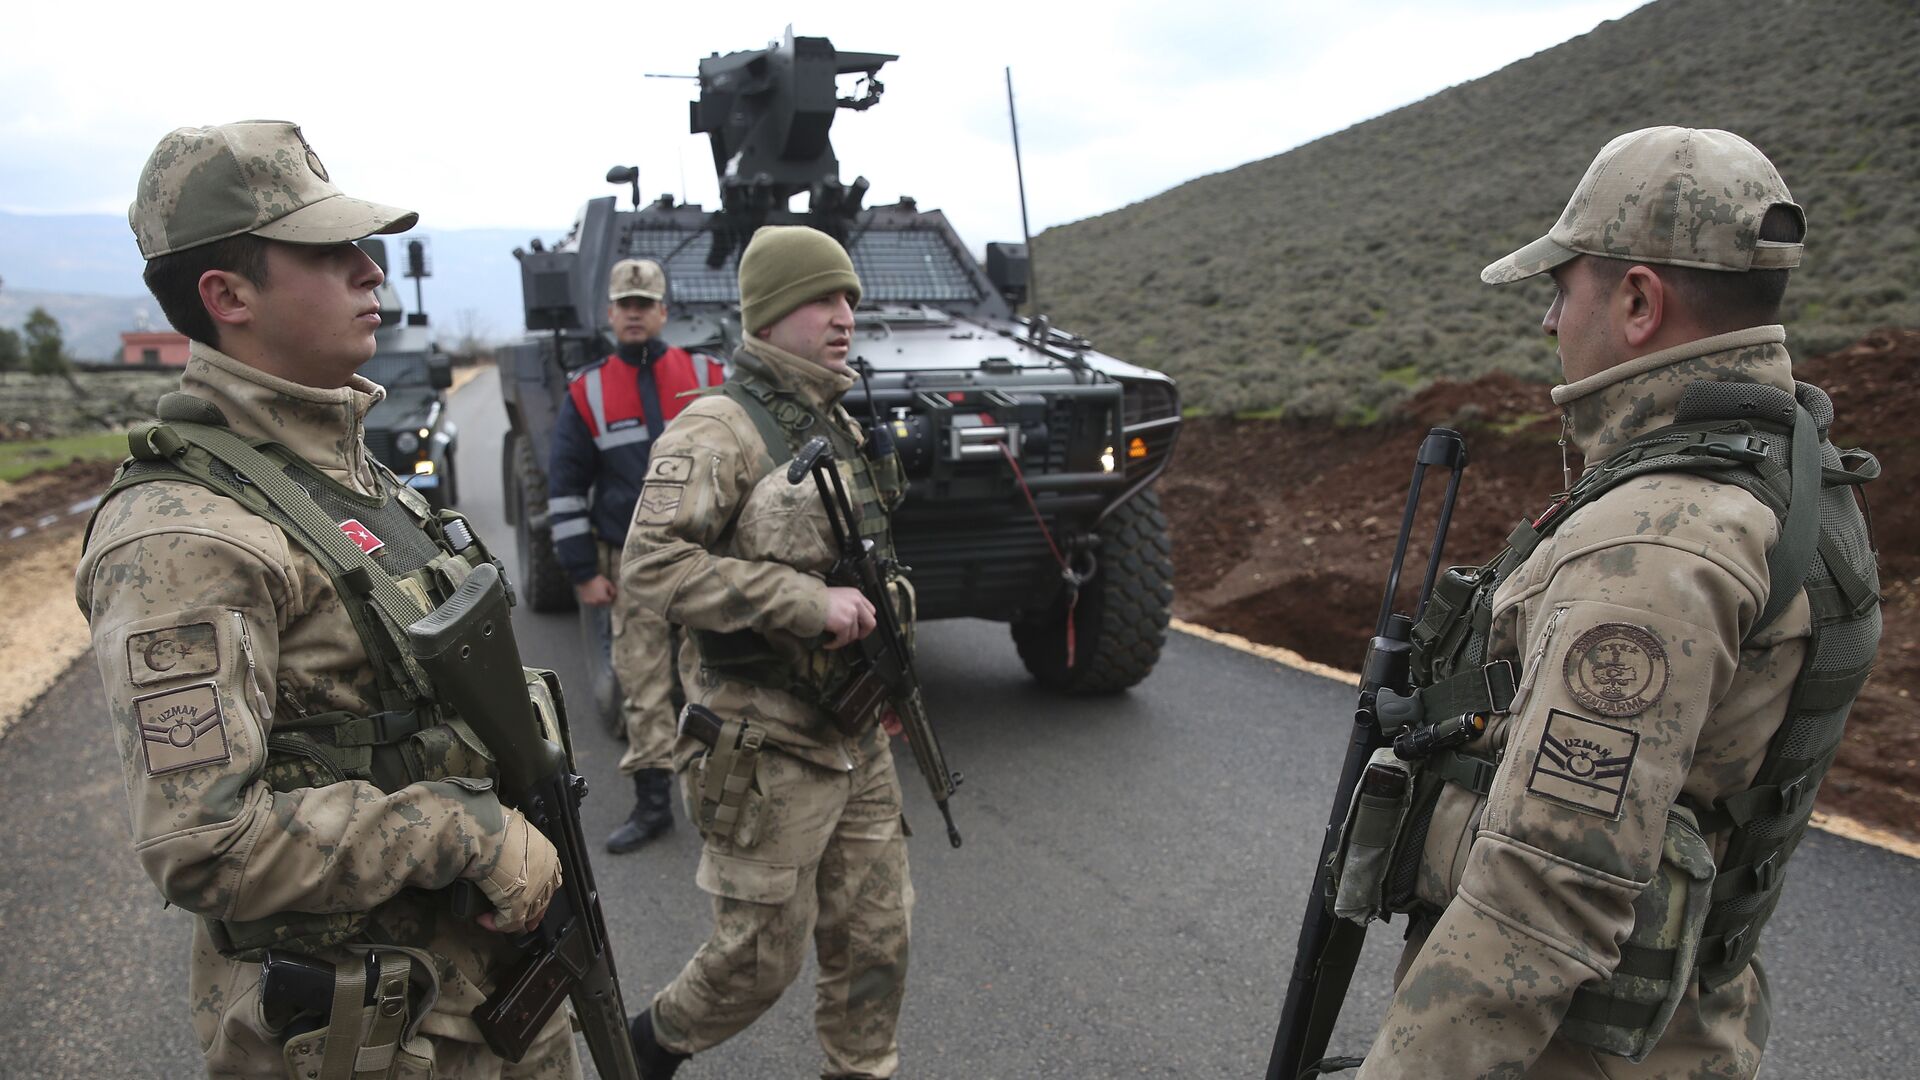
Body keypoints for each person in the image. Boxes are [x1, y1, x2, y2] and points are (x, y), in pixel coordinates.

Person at [1353, 127, 1880, 1078]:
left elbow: (1543, 893)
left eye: (1562, 290)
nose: (1549, 322)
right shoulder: (1781, 470)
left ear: (1638, 300)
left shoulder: (1656, 544)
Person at [77, 120, 575, 1078]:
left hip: (480, 993)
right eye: (328, 252)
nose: (370, 271)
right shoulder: (185, 535)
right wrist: (460, 828)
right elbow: (205, 844)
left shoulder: (348, 479)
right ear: (227, 296)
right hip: (374, 1031)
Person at [619, 225, 914, 1080]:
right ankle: (643, 1051)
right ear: (773, 312)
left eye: (851, 297)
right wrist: (805, 604)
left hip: (850, 726)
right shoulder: (719, 428)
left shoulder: (834, 418)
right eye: (823, 298)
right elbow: (652, 567)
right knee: (757, 961)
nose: (844, 315)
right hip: (763, 738)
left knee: (876, 938)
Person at [547, 258, 725, 853]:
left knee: (713, 682)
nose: (634, 312)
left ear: (663, 312)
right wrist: (581, 570)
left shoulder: (707, 373)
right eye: (624, 303)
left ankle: (718, 799)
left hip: (704, 561)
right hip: (632, 566)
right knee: (643, 687)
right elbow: (566, 486)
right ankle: (653, 806)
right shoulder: (588, 389)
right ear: (609, 314)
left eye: (644, 303)